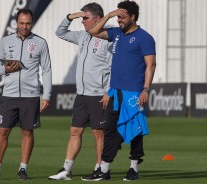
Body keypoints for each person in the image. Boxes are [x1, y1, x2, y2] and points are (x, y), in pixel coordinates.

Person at [81, 0, 156, 181]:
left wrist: (146, 89)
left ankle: (133, 169)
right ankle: (104, 170)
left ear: (133, 17)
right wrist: (108, 16)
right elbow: (93, 31)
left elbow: (151, 65)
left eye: (122, 17)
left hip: (134, 93)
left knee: (135, 130)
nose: (119, 21)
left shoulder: (144, 37)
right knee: (110, 130)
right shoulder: (116, 34)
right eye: (118, 17)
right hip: (115, 92)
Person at [48, 2, 112, 181]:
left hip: (99, 94)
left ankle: (101, 169)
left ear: (98, 19)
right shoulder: (82, 36)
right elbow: (60, 32)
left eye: (86, 18)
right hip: (82, 94)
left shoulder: (108, 38)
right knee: (75, 130)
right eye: (82, 18)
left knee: (98, 133)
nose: (82, 21)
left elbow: (113, 67)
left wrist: (108, 91)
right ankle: (66, 170)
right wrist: (70, 17)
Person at [0, 8, 52, 180]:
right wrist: (5, 69)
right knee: (3, 131)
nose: (25, 26)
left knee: (27, 132)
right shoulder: (6, 41)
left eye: (28, 23)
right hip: (9, 94)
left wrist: (46, 96)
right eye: (22, 23)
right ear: (17, 23)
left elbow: (47, 70)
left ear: (32, 22)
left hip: (31, 96)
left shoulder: (40, 42)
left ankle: (23, 168)